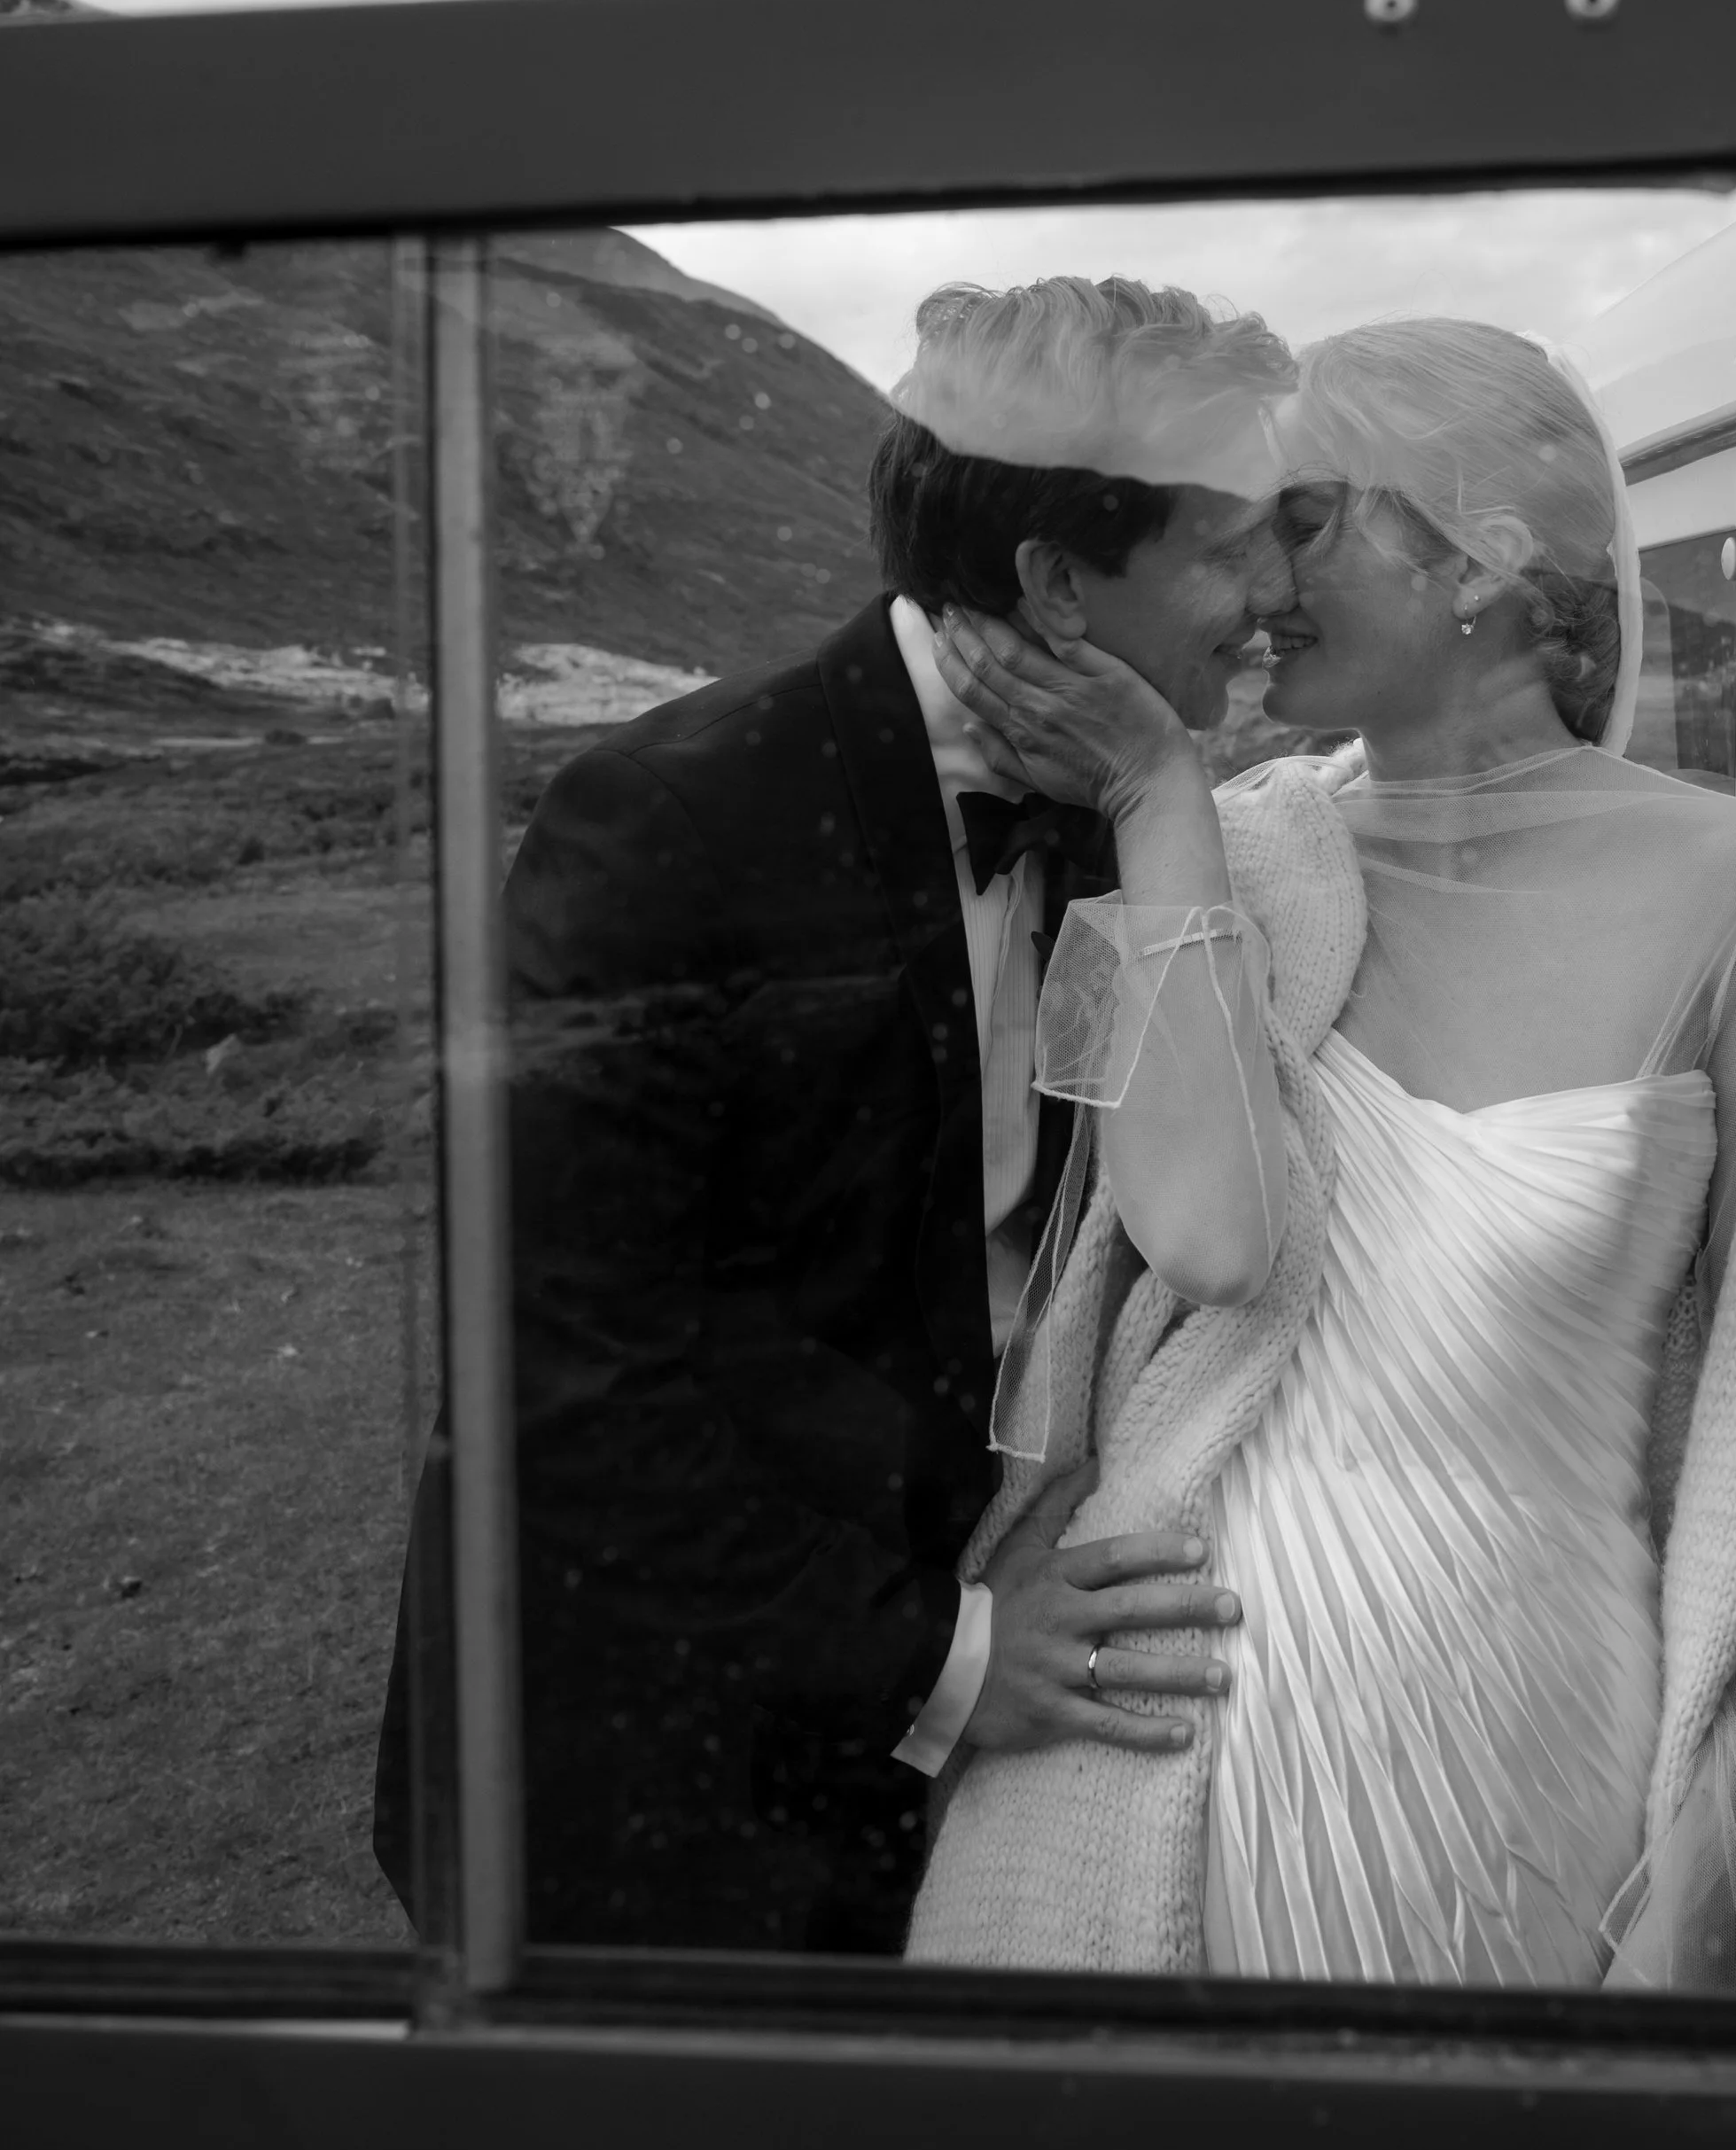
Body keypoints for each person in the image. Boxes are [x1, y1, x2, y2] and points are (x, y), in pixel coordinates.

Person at [906, 318, 1736, 1988]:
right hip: (1150, 1730)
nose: (1249, 582)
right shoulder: (1205, 846)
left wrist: (1721, 1832)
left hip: (1529, 1758)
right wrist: (1161, 800)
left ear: (1483, 558)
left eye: (1300, 520)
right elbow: (1073, 1254)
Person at [372, 274, 1295, 1953]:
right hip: (640, 1784)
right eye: (1232, 544)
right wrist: (940, 1660)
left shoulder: (1132, 815)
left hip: (933, 1798)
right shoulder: (665, 821)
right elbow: (559, 1382)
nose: (1276, 592)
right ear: (1056, 578)